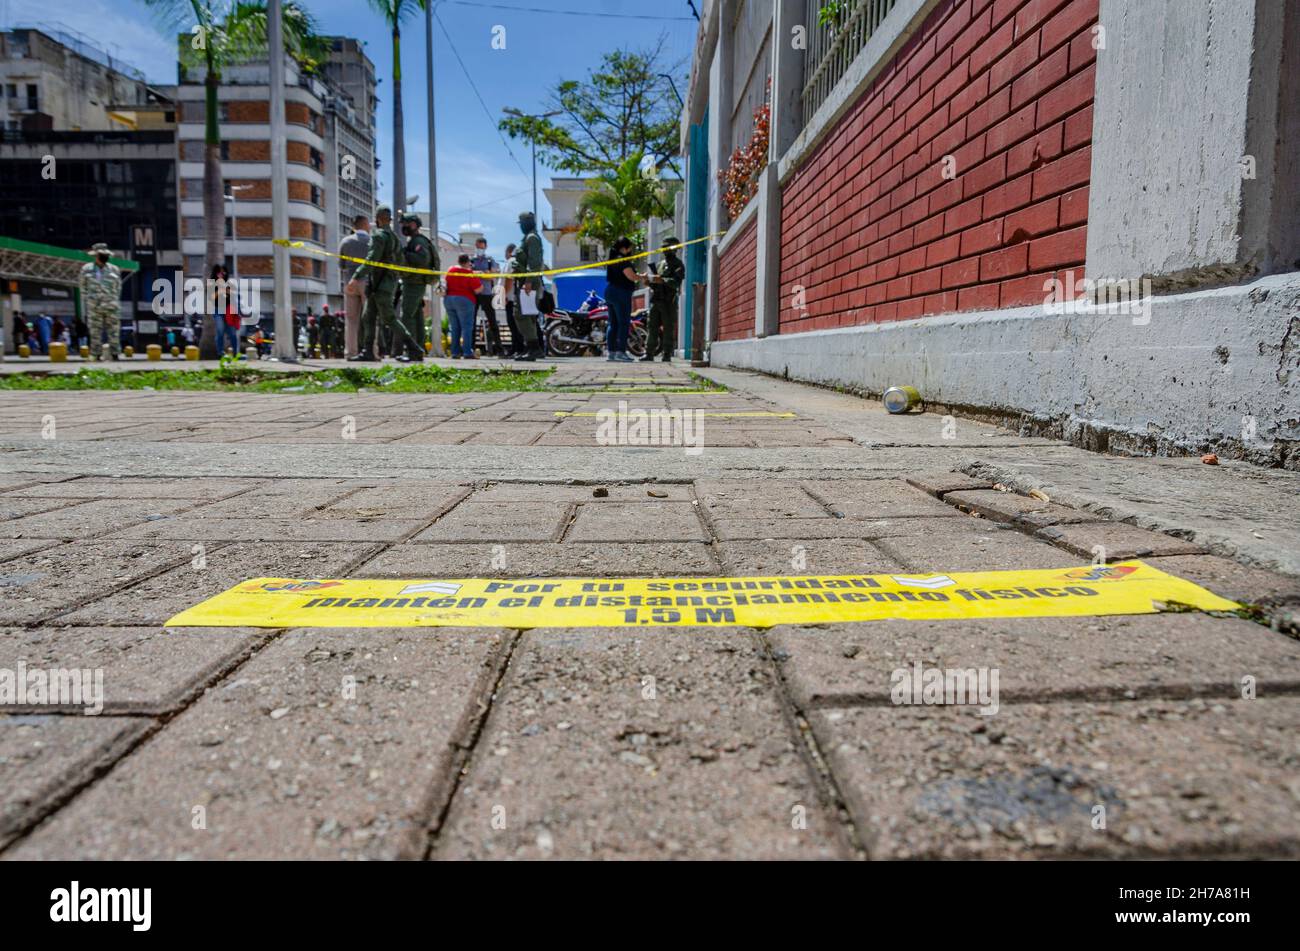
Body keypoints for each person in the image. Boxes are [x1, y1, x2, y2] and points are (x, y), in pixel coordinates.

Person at [351, 204, 402, 362]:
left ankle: (414, 348)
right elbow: (400, 261)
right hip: (382, 283)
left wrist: (356, 276)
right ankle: (367, 352)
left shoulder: (379, 235)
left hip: (380, 283)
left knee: (389, 319)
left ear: (378, 219)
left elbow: (372, 260)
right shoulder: (394, 237)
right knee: (368, 317)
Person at [397, 212, 437, 362]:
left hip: (414, 283)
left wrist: (404, 254)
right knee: (417, 318)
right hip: (415, 283)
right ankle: (417, 350)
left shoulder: (418, 241)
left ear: (414, 224)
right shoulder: (415, 241)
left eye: (405, 224)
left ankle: (412, 351)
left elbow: (422, 259)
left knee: (407, 316)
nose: (403, 227)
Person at [642, 236, 685, 362]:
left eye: (667, 248)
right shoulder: (660, 264)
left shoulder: (678, 264)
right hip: (656, 300)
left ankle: (667, 354)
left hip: (668, 301)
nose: (665, 251)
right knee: (652, 327)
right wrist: (648, 282)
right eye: (664, 248)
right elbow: (655, 283)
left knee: (668, 328)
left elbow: (676, 282)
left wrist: (662, 280)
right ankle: (649, 353)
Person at [511, 211, 545, 361]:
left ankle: (534, 349)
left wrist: (529, 281)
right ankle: (532, 348)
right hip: (525, 282)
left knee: (522, 315)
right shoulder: (528, 238)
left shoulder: (532, 239)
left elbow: (534, 262)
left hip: (529, 283)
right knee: (526, 315)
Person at [79, 243, 122, 360]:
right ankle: (96, 354)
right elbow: (83, 287)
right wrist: (89, 300)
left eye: (105, 254)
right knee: (95, 331)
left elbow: (118, 288)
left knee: (114, 331)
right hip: (94, 306)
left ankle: (115, 354)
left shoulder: (114, 269)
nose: (104, 256)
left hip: (111, 305)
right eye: (101, 254)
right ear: (96, 256)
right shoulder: (86, 269)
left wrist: (113, 300)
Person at [604, 236, 640, 362]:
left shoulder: (612, 259)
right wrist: (642, 277)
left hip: (610, 291)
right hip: (621, 293)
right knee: (624, 323)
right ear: (624, 248)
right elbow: (631, 276)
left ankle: (611, 353)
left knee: (612, 323)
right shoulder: (623, 260)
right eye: (630, 248)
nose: (631, 250)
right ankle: (621, 352)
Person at [340, 215, 370, 358]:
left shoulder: (345, 242)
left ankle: (350, 352)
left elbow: (341, 264)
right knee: (370, 318)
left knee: (351, 320)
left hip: (349, 282)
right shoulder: (371, 241)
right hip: (367, 282)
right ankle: (372, 351)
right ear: (365, 224)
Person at [470, 237, 503, 357]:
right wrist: (483, 274)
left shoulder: (490, 260)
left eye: (482, 247)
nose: (479, 249)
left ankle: (499, 349)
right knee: (471, 322)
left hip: (487, 294)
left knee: (492, 322)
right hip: (474, 294)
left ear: (486, 247)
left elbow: (491, 276)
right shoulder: (471, 260)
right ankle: (471, 349)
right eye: (478, 247)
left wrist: (480, 274)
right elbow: (468, 275)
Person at [444, 254, 481, 359]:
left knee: (455, 327)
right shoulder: (469, 273)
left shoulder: (450, 270)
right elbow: (478, 289)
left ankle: (455, 352)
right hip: (465, 301)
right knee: (467, 327)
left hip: (449, 300)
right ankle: (467, 352)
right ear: (468, 262)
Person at [500, 243, 526, 355]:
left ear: (508, 252)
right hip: (515, 297)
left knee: (513, 325)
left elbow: (509, 280)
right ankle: (516, 348)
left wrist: (504, 296)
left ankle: (517, 348)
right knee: (515, 325)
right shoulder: (514, 261)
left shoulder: (510, 262)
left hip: (511, 298)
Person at [210, 263, 240, 355]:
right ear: (215, 273)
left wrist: (226, 289)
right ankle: (220, 352)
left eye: (223, 273)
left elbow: (235, 294)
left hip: (229, 310)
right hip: (218, 310)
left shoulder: (229, 283)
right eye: (219, 272)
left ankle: (236, 352)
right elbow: (211, 297)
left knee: (232, 333)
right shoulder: (212, 283)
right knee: (220, 331)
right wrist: (219, 291)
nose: (221, 274)